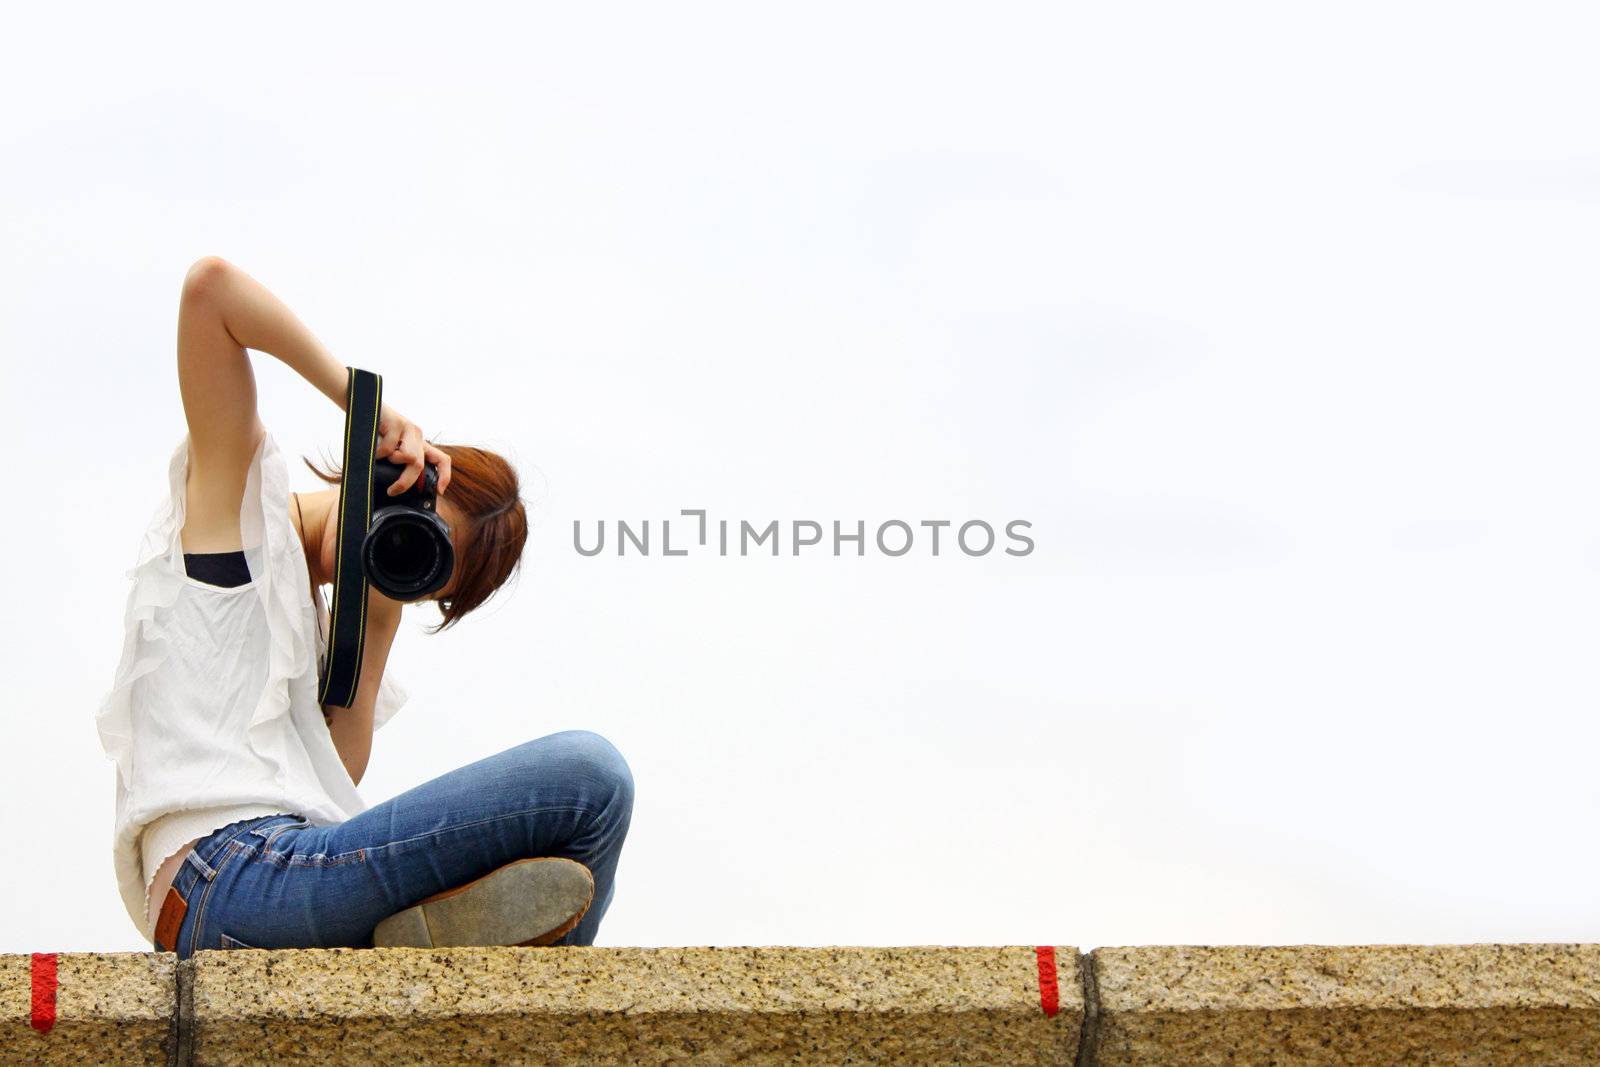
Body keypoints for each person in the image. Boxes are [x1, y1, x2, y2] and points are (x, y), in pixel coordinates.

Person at [95, 257, 633, 959]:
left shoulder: (335, 627)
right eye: (419, 515)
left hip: (273, 881)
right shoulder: (238, 521)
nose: (409, 551)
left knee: (578, 851)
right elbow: (210, 293)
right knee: (592, 778)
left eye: (430, 566)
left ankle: (480, 961)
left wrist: (378, 616)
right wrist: (360, 402)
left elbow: (330, 780)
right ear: (389, 471)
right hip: (228, 875)